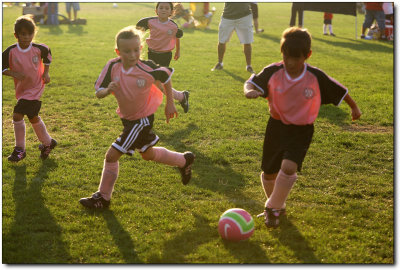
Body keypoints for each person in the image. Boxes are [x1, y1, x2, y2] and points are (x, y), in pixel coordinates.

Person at [243, 27, 362, 228]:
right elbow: (251, 83)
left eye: (296, 59)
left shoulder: (315, 77)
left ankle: (271, 207)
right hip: (276, 127)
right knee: (269, 173)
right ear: (282, 53)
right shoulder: (274, 71)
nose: (290, 63)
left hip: (301, 130)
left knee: (289, 167)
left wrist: (354, 107)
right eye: (286, 57)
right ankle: (278, 206)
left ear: (307, 55)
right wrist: (249, 92)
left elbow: (340, 90)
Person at [79, 26, 195, 209]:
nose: (132, 55)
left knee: (111, 156)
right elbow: (98, 92)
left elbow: (165, 77)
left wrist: (170, 103)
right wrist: (107, 90)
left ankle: (103, 197)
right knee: (148, 154)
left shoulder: (147, 67)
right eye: (127, 51)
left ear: (141, 48)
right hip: (127, 119)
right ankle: (183, 160)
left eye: (136, 50)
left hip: (141, 120)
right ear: (118, 51)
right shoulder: (112, 66)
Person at [2, 15, 57, 162]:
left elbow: (48, 55)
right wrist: (12, 73)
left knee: (17, 115)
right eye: (23, 34)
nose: (27, 37)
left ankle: (20, 149)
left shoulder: (39, 49)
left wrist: (46, 72)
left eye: (30, 34)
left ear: (34, 34)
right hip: (22, 89)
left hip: (35, 88)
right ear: (16, 35)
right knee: (33, 118)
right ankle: (48, 143)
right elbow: (2, 67)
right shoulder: (11, 51)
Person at [136, 2, 190, 113]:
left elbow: (177, 37)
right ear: (156, 11)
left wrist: (178, 51)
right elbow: (138, 32)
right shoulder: (150, 22)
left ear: (171, 12)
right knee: (155, 82)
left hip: (165, 56)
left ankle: (180, 97)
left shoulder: (173, 25)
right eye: (161, 8)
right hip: (151, 54)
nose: (163, 10)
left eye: (166, 8)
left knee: (157, 83)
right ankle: (181, 96)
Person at [211, 2, 255, 74]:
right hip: (227, 16)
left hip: (244, 16)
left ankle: (249, 66)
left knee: (247, 42)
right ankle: (220, 63)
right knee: (221, 41)